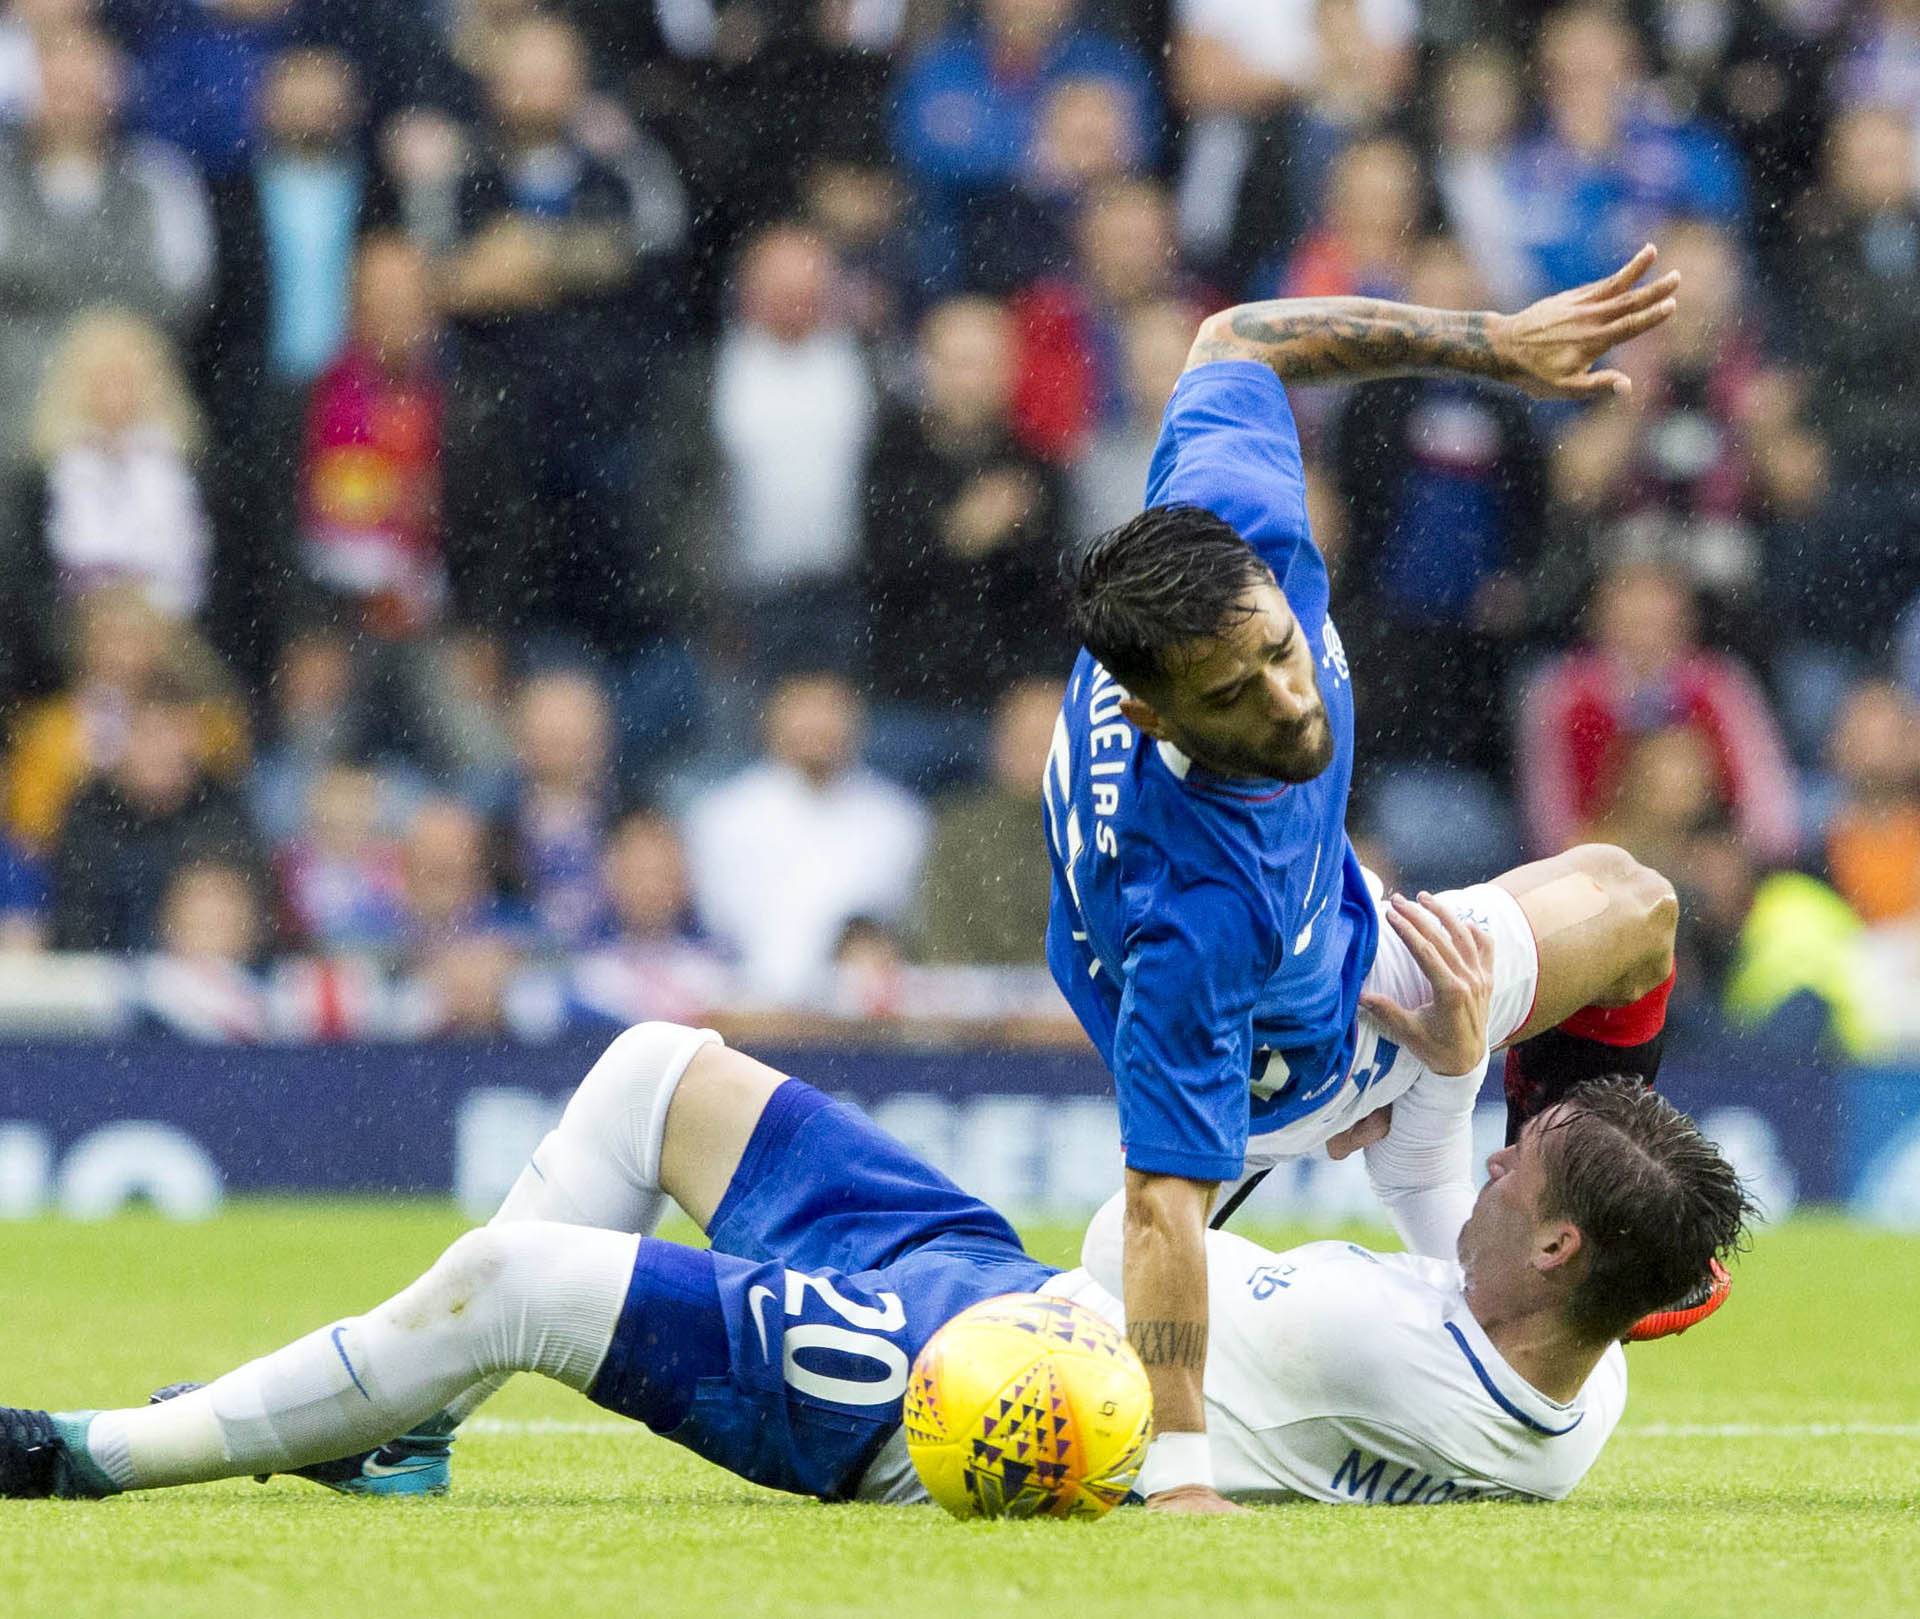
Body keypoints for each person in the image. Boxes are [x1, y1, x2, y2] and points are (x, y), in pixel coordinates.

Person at [0, 1020, 1751, 1507]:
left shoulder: (1381, 1340)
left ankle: (96, 1450)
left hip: (945, 1387)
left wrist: (1317, 1101)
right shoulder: (1573, 1390)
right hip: (985, 1292)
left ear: (1561, 1239)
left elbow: (1126, 1241)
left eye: (1515, 1159)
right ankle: (405, 1428)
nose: (1488, 1156)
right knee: (656, 1066)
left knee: (517, 1273)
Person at [1044, 247, 1699, 1512]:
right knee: (1104, 1280)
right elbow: (1162, 1208)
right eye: (1238, 697)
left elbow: (1236, 333)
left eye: (1282, 652)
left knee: (1632, 906)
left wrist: (1492, 349)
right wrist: (1180, 1474)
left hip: (1353, 951)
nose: (1294, 701)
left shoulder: (1236, 532)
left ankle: (1587, 1198)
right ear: (1152, 704)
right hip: (1264, 1068)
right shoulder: (1194, 905)